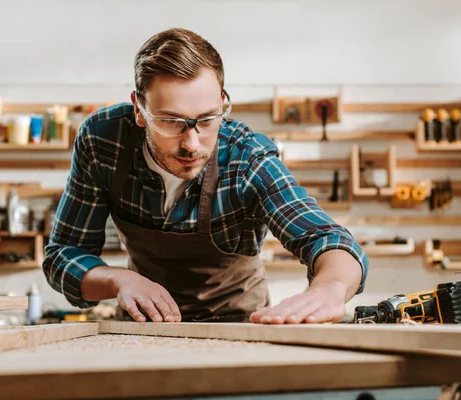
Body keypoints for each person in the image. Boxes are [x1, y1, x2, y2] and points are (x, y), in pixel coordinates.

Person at [43, 28, 368, 324]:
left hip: (240, 327)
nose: (192, 143)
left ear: (223, 103)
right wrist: (119, 279)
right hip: (144, 327)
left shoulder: (246, 158)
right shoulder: (103, 140)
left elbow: (328, 240)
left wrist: (329, 289)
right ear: (139, 110)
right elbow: (63, 255)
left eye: (208, 119)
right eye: (171, 121)